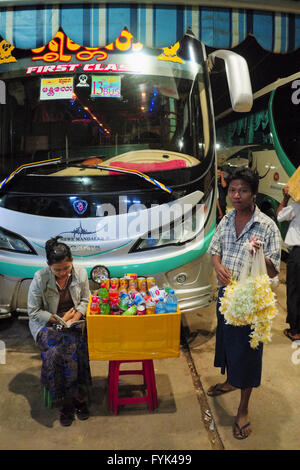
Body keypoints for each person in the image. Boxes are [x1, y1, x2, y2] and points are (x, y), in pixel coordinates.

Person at [207, 168, 281, 439]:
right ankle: (230, 381)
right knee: (227, 344)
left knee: (249, 354)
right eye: (232, 190)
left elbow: (273, 272)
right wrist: (218, 267)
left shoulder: (267, 225)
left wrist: (260, 254)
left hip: (251, 303)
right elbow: (214, 250)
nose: (236, 196)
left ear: (254, 194)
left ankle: (243, 409)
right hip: (227, 299)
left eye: (243, 191)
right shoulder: (227, 218)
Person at [27, 236, 92, 426]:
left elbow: (86, 300)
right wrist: (58, 319)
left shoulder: (80, 273)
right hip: (47, 324)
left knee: (79, 348)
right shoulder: (40, 279)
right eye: (57, 270)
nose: (63, 273)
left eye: (66, 268)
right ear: (49, 266)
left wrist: (76, 316)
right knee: (56, 353)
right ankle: (66, 402)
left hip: (74, 321)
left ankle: (78, 397)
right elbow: (34, 311)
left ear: (72, 261)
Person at [277, 184, 300, 341]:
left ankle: (295, 331)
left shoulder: (297, 206)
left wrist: (285, 197)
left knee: (294, 292)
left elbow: (279, 216)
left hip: (298, 255)